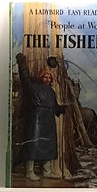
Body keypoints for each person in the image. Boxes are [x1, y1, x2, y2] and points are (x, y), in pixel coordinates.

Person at [15, 52, 63, 180]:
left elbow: (55, 107)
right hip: (36, 118)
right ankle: (29, 171)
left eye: (49, 77)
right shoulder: (33, 87)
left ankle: (47, 171)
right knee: (33, 144)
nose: (47, 79)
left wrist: (63, 109)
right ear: (40, 77)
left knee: (48, 145)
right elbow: (25, 78)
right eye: (45, 77)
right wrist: (22, 65)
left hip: (49, 120)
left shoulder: (51, 92)